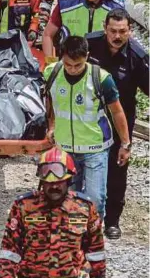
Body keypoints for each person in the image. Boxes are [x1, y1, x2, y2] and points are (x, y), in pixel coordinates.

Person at [44, 36, 131, 219]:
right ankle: (70, 240)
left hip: (95, 149)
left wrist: (125, 144)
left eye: (78, 65)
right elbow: (51, 101)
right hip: (65, 148)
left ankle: (93, 239)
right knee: (67, 198)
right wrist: (51, 126)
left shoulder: (101, 79)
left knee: (95, 200)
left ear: (87, 57)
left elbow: (117, 112)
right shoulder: (51, 74)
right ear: (61, 57)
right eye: (68, 65)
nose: (73, 69)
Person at [86, 8, 149, 239]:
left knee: (117, 170)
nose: (117, 36)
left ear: (130, 31)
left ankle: (112, 220)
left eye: (123, 31)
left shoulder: (138, 57)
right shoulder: (89, 44)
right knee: (82, 167)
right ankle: (80, 216)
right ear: (105, 29)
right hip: (88, 119)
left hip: (119, 122)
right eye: (113, 30)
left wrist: (127, 142)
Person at [0, 146, 106, 278]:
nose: (54, 186)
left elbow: (96, 252)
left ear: (68, 180)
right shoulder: (23, 206)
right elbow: (9, 250)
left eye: (59, 182)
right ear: (41, 182)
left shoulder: (85, 208)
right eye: (48, 183)